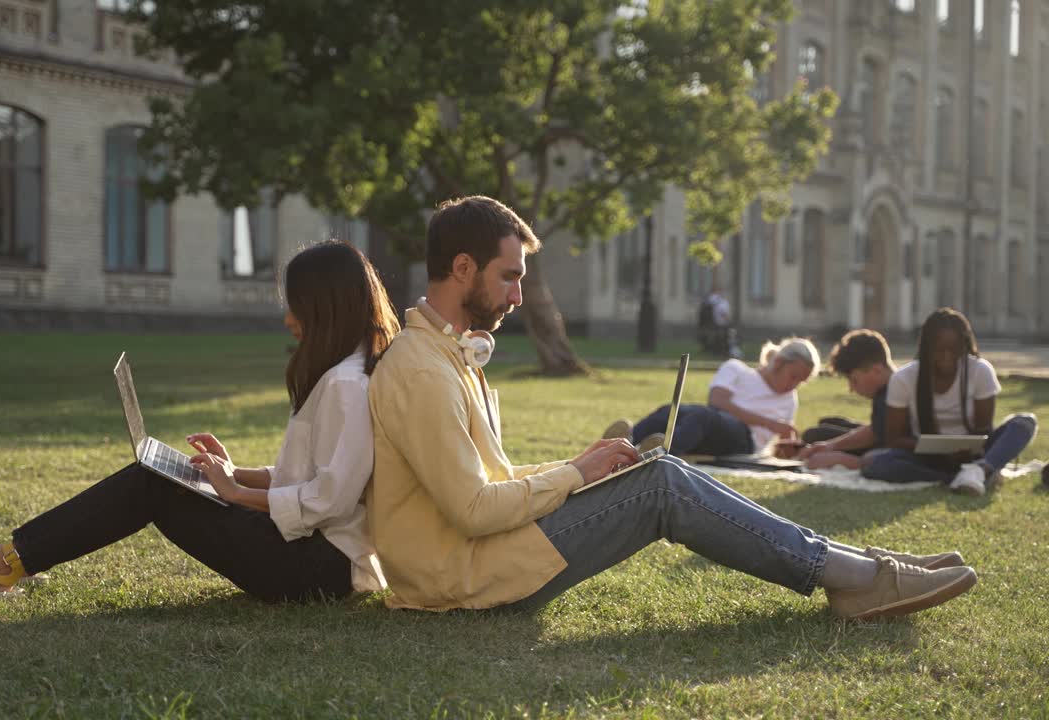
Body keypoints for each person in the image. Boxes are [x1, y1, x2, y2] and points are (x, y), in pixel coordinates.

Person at [366, 195, 975, 620]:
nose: (520, 294)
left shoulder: (449, 356)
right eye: (509, 277)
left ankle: (857, 568)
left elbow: (485, 483)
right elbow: (473, 509)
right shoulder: (421, 370)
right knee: (662, 484)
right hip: (463, 580)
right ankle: (860, 580)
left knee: (665, 473)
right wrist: (576, 474)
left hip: (486, 556)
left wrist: (581, 464)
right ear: (463, 267)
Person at [0, 241, 400, 601]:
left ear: (322, 307)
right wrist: (231, 476)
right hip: (308, 554)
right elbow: (314, 478)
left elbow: (330, 500)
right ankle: (11, 560)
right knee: (162, 479)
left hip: (317, 570)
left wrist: (236, 495)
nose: (288, 318)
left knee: (151, 485)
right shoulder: (341, 375)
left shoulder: (347, 384)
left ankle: (5, 563)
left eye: (294, 305)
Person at [862, 308, 1039, 496]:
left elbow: (984, 430)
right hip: (926, 456)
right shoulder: (904, 378)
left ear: (965, 346)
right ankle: (954, 478)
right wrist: (938, 451)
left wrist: (967, 452)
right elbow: (893, 438)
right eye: (939, 350)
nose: (947, 357)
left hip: (973, 455)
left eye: (954, 350)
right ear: (927, 347)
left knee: (1024, 423)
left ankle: (979, 470)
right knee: (874, 464)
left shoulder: (980, 371)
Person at [610, 337, 820, 459]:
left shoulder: (790, 400)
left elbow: (779, 447)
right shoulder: (736, 369)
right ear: (779, 363)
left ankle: (657, 455)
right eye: (793, 376)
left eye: (801, 381)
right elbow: (717, 401)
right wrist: (770, 423)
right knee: (673, 411)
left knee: (701, 416)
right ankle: (620, 445)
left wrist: (788, 447)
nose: (794, 385)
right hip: (714, 422)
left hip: (744, 442)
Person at [795, 329, 896, 470]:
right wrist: (829, 446)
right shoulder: (886, 390)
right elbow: (878, 428)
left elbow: (877, 436)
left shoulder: (895, 392)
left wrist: (835, 452)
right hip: (882, 439)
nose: (851, 389)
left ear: (876, 370)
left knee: (815, 434)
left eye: (854, 380)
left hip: (888, 446)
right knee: (828, 423)